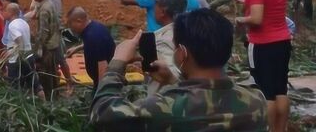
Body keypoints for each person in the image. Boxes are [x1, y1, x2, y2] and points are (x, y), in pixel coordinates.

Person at [90, 9, 268, 131]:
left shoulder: (163, 108)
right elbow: (206, 102)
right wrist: (174, 81)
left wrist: (117, 63)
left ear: (182, 54)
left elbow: (102, 115)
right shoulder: (256, 101)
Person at [236, 0, 292, 132]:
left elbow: (257, 19)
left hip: (262, 44)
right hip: (283, 41)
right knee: (280, 90)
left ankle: (267, 129)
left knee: (265, 93)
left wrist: (240, 19)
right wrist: (247, 0)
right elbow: (269, 5)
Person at [148, 0, 187, 94]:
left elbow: (169, 72)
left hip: (162, 102)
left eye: (156, 4)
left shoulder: (164, 39)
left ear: (163, 11)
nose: (154, 7)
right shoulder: (188, 31)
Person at [65, 7, 115, 90]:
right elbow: (95, 46)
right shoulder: (94, 27)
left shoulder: (93, 36)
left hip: (104, 81)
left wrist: (101, 92)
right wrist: (77, 48)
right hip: (105, 79)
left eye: (70, 24)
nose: (70, 28)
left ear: (79, 21)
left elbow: (103, 66)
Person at [2, 3, 44, 98]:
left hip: (17, 60)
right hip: (29, 57)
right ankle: (45, 103)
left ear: (11, 13)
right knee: (35, 84)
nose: (3, 13)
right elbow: (31, 37)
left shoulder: (12, 25)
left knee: (15, 88)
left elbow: (19, 41)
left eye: (5, 11)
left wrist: (12, 54)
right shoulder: (23, 22)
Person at [32, 0, 61, 100]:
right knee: (53, 71)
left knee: (45, 73)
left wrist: (38, 49)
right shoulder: (49, 4)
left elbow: (43, 31)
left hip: (47, 46)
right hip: (54, 42)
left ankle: (49, 98)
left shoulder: (44, 9)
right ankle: (56, 94)